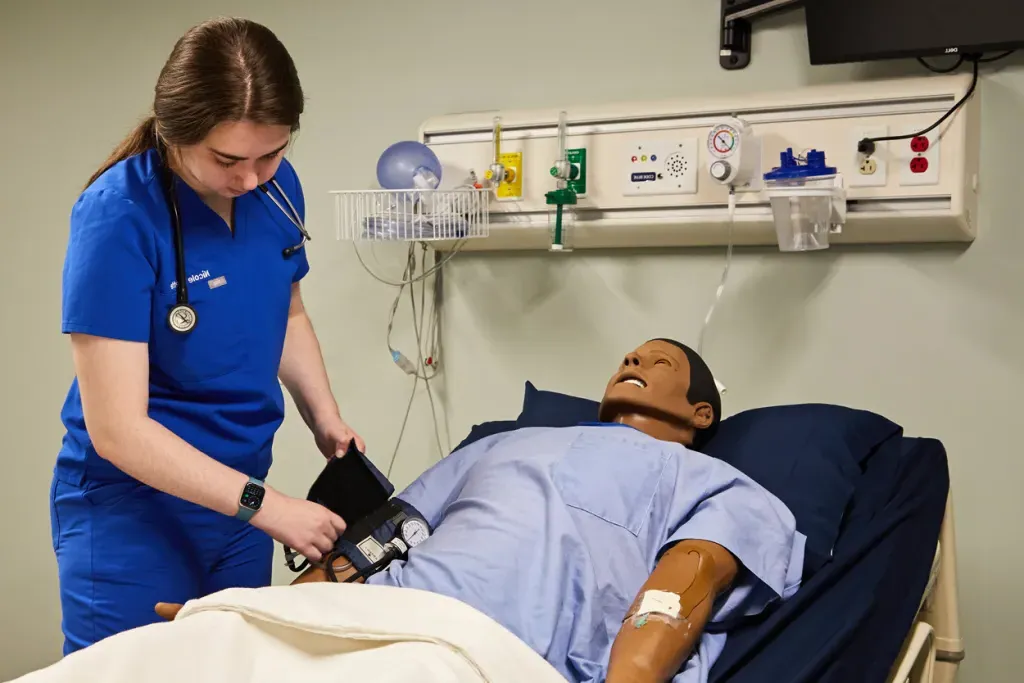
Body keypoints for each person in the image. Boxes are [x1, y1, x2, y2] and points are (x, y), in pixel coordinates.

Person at [155, 339, 806, 683]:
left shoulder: (712, 481)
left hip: (479, 652)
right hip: (370, 618)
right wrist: (262, 614)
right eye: (629, 355)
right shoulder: (507, 442)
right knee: (182, 657)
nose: (634, 360)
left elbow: (684, 581)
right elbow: (374, 543)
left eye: (658, 360)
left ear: (701, 412)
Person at [51, 16, 364, 655]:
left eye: (271, 153)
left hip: (240, 506)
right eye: (227, 159)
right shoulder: (118, 217)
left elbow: (289, 312)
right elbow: (117, 431)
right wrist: (271, 508)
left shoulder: (277, 192)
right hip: (135, 513)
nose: (250, 179)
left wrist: (324, 417)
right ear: (174, 133)